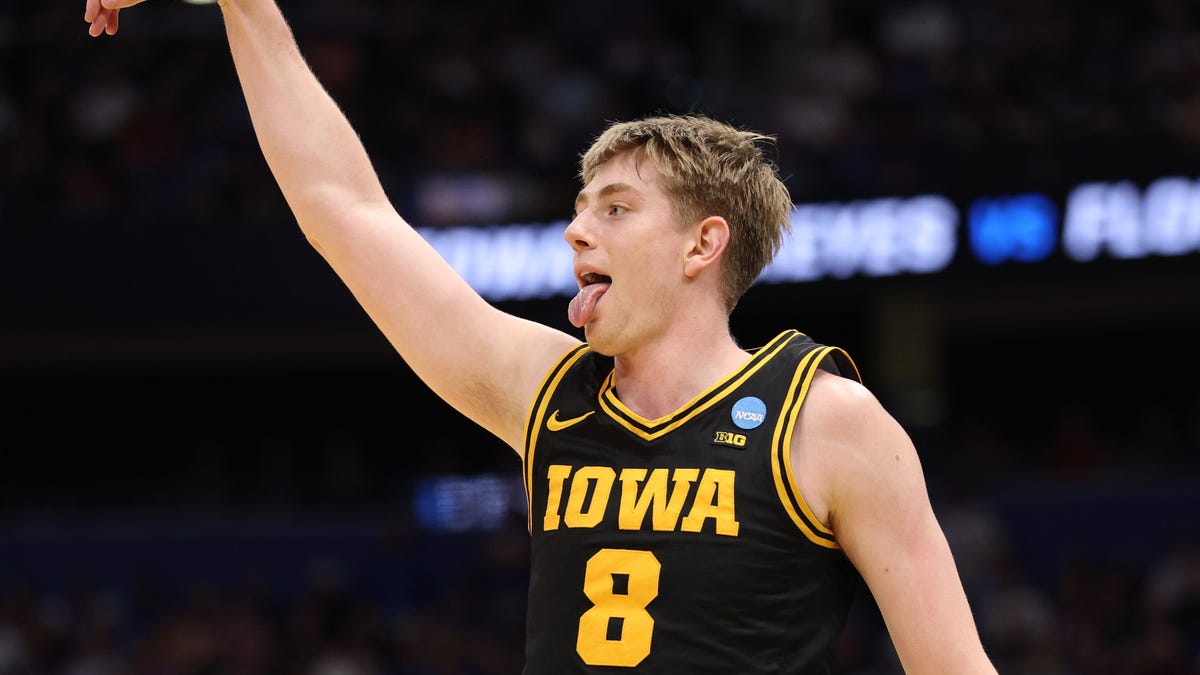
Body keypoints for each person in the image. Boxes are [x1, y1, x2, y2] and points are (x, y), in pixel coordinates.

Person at [84, 1, 999, 672]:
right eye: (576, 208)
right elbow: (345, 210)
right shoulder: (547, 392)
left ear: (701, 243)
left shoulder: (828, 422)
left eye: (614, 207)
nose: (575, 231)